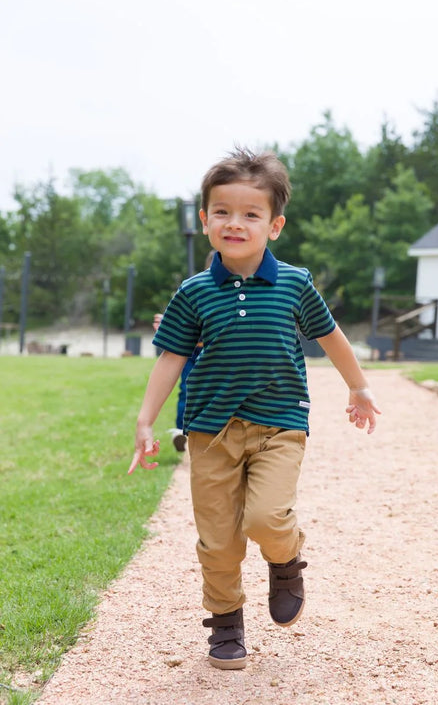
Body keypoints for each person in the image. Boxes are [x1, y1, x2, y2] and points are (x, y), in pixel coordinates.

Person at [128, 148, 380, 671]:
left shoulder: (293, 283)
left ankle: (285, 561)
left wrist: (357, 387)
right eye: (222, 212)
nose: (235, 223)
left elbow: (330, 336)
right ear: (204, 220)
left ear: (275, 225)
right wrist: (146, 419)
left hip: (279, 426)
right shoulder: (194, 293)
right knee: (217, 538)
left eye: (251, 214)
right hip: (210, 432)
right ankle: (225, 623)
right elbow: (172, 356)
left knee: (267, 517)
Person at [152, 251, 215, 452]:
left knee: (211, 391)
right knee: (186, 390)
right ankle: (181, 430)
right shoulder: (197, 289)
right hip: (190, 352)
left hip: (212, 353)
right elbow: (181, 319)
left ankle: (211, 431)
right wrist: (166, 323)